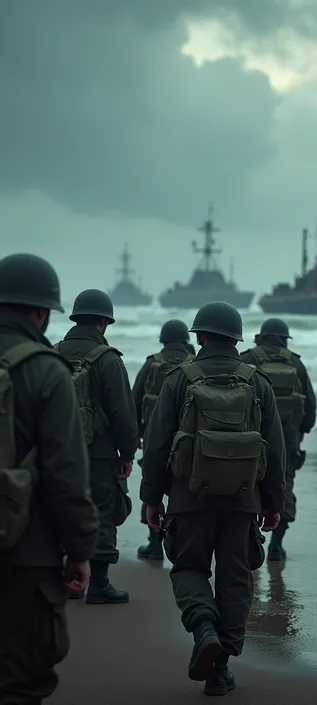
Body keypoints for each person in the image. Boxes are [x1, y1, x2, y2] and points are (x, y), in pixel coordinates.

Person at [141, 301, 286, 696]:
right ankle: (219, 670)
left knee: (189, 568)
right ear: (237, 338)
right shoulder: (257, 382)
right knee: (236, 580)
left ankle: (203, 627)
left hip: (189, 499)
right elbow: (274, 448)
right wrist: (275, 503)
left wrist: (151, 498)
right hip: (244, 502)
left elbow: (156, 446)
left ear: (199, 337)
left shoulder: (178, 379)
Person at [0, 253, 99, 703]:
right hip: (27, 552)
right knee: (22, 680)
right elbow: (67, 476)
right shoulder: (46, 370)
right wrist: (80, 550)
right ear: (40, 312)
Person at [56, 289, 137, 604]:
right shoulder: (108, 359)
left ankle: (69, 579)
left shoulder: (52, 353)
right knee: (102, 513)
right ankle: (100, 585)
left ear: (76, 317)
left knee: (60, 508)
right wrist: (126, 454)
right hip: (99, 454)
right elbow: (122, 413)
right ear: (105, 321)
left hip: (56, 453)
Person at [241, 317, 316, 560]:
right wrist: (302, 430)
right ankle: (276, 545)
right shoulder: (295, 362)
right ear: (284, 339)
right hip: (288, 439)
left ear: (261, 337)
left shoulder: (249, 358)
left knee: (248, 486)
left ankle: (249, 541)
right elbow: (310, 405)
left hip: (252, 438)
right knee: (284, 486)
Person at [133, 319, 195, 561]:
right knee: (183, 489)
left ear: (163, 339)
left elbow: (134, 400)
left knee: (153, 483)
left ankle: (154, 544)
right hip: (188, 439)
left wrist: (137, 434)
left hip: (153, 436)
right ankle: (183, 545)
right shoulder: (195, 366)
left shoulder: (152, 363)